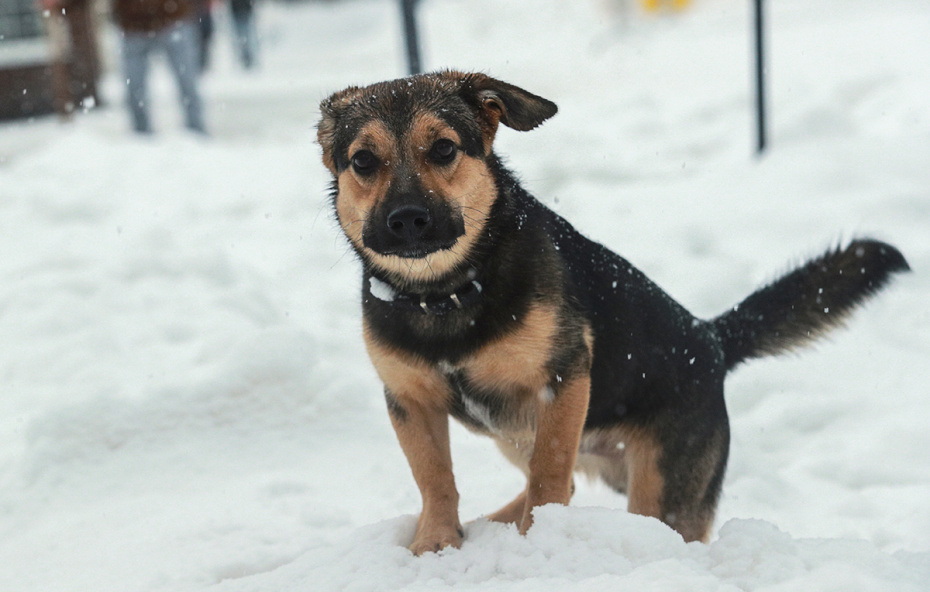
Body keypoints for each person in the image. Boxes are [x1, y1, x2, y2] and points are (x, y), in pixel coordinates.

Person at [112, 0, 206, 133]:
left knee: (187, 82)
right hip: (133, 25)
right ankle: (140, 133)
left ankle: (196, 130)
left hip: (174, 19)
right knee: (134, 86)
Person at [229, 0, 257, 69]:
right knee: (243, 36)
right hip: (239, 13)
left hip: (243, 13)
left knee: (245, 36)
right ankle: (244, 56)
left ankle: (246, 56)